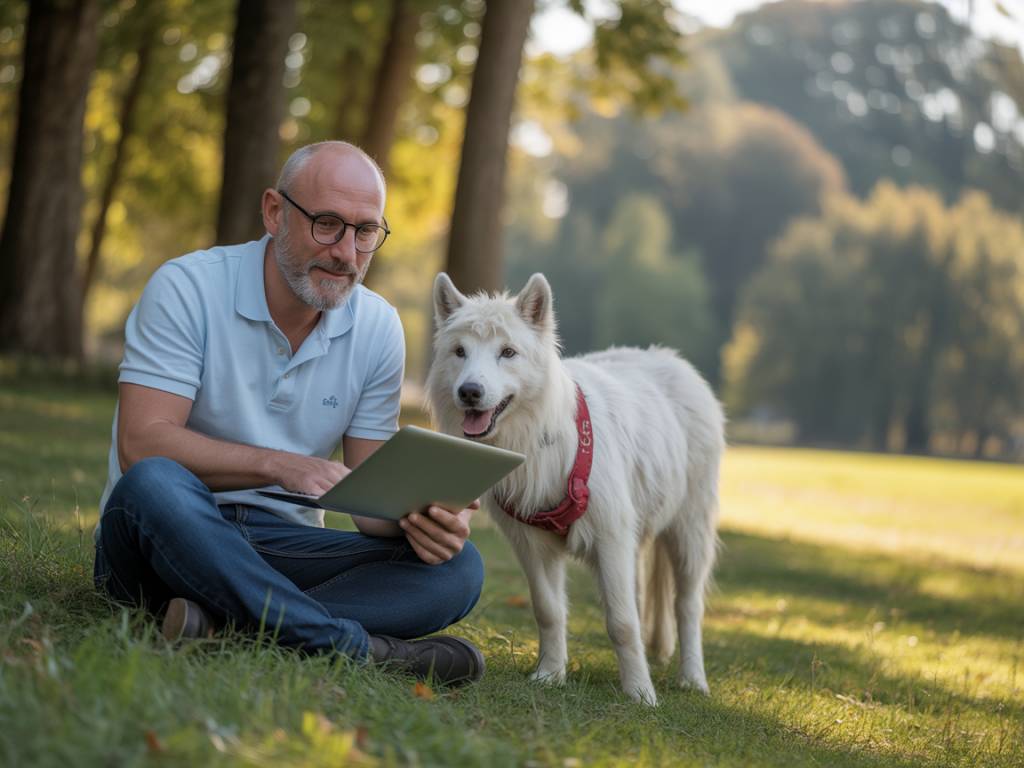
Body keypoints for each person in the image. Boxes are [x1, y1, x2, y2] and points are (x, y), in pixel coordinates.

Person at [93, 141, 485, 685]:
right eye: (327, 224)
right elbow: (142, 444)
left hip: (283, 544)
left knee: (459, 570)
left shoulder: (377, 327)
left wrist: (426, 519)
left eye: (365, 232)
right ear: (275, 212)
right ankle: (357, 647)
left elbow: (370, 506)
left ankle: (221, 623)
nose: (346, 253)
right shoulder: (187, 288)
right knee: (154, 483)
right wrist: (281, 465)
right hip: (166, 532)